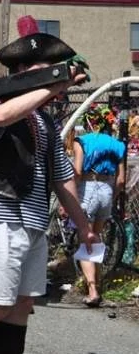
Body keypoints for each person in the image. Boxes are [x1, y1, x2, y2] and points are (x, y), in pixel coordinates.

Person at [0, 22, 96, 354]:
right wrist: (56, 84)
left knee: (20, 309)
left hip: (33, 224)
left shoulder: (46, 122)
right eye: (46, 69)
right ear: (21, 71)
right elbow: (3, 117)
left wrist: (85, 225)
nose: (54, 76)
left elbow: (62, 178)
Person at [71, 105, 126, 307]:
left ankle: (92, 289)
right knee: (96, 238)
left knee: (85, 237)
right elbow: (121, 180)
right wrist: (113, 195)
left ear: (88, 123)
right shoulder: (118, 144)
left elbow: (77, 172)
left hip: (88, 186)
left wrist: (70, 196)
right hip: (108, 188)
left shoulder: (82, 142)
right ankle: (97, 280)